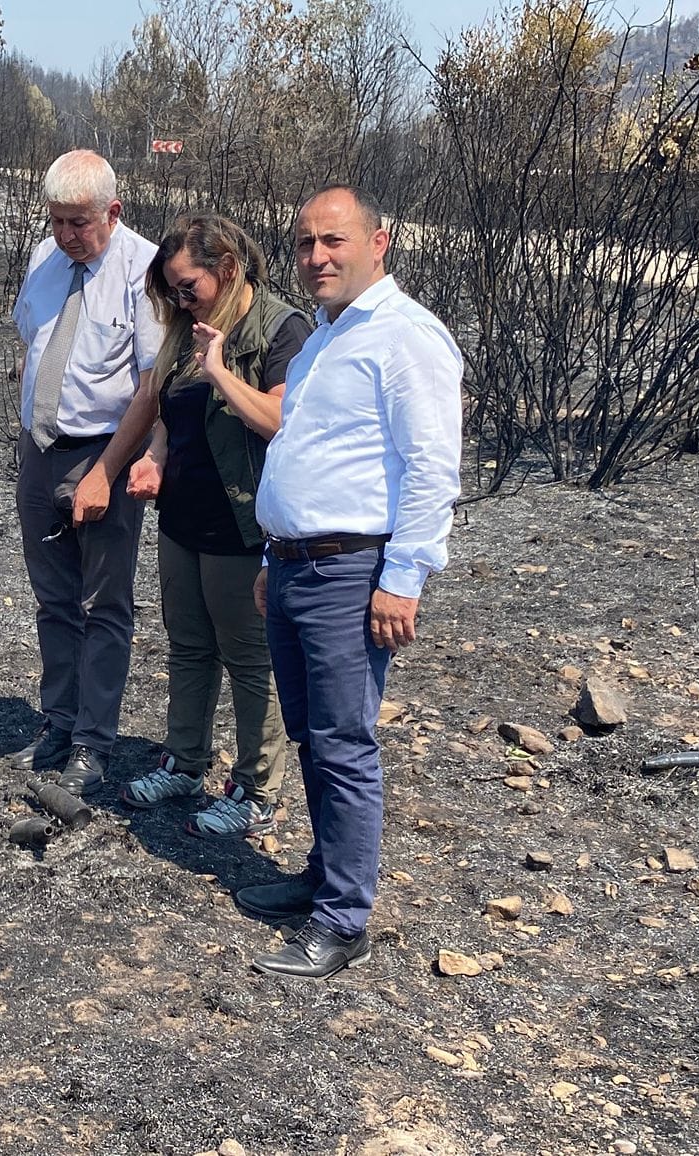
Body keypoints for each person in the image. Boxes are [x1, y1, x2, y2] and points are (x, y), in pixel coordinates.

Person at [234, 186, 463, 980]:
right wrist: (271, 560)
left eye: (333, 241)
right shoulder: (323, 338)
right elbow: (304, 451)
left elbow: (433, 466)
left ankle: (343, 920)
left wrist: (404, 578)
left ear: (380, 242)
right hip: (296, 566)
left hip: (350, 569)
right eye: (304, 244)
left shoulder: (405, 338)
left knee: (344, 743)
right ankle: (322, 878)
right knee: (310, 735)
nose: (317, 258)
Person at [98, 215, 305, 839]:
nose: (180, 301)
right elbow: (168, 409)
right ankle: (185, 762)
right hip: (183, 516)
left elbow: (279, 420)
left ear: (228, 269)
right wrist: (153, 458)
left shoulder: (280, 326)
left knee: (249, 658)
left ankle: (256, 788)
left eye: (188, 287)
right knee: (188, 648)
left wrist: (219, 369)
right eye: (172, 291)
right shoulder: (183, 329)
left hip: (244, 521)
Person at [8, 149, 162, 790]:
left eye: (80, 223)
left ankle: (93, 745)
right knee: (54, 600)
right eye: (57, 221)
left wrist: (111, 468)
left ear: (113, 212)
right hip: (40, 450)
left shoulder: (145, 269)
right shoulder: (45, 261)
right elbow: (34, 341)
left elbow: (154, 383)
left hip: (106, 452)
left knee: (103, 604)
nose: (67, 236)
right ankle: (59, 720)